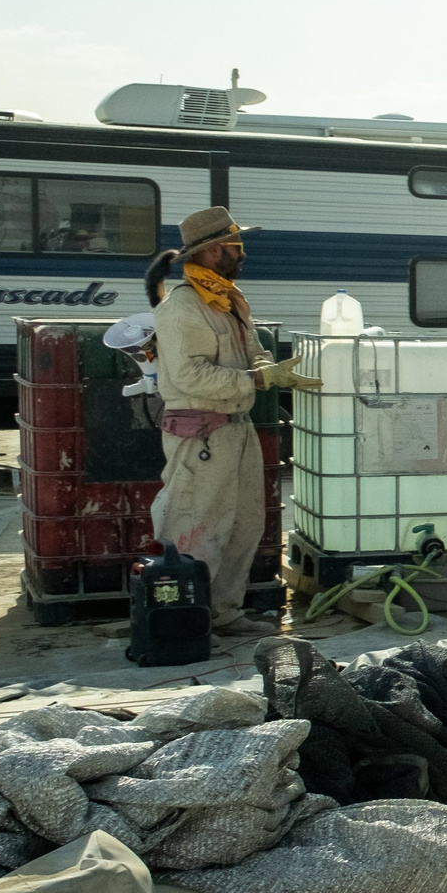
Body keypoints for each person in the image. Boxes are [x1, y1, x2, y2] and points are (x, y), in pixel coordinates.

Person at [144, 206, 319, 636]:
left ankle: (222, 613)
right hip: (202, 431)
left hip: (234, 427)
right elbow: (190, 376)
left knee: (243, 523)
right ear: (209, 252)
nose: (241, 253)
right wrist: (260, 378)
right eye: (233, 246)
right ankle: (184, 618)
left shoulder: (226, 299)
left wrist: (268, 366)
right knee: (194, 525)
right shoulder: (183, 308)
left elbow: (252, 347)